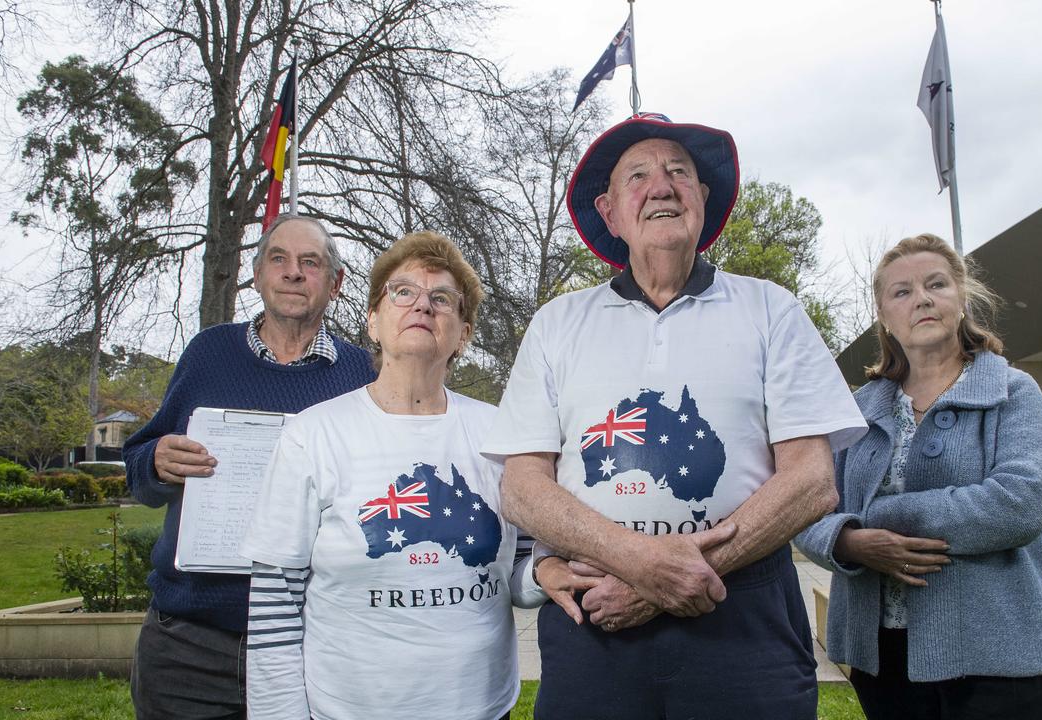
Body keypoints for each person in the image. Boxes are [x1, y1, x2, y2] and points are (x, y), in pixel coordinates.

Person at [482, 112, 867, 719]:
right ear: (609, 212)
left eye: (678, 172)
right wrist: (638, 564)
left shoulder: (771, 309)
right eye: (638, 175)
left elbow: (813, 480)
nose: (660, 186)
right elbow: (523, 488)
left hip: (744, 618)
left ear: (703, 200)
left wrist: (666, 581)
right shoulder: (558, 324)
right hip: (596, 617)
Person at [240, 231, 548, 720]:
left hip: (482, 708)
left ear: (463, 334)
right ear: (373, 323)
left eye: (443, 299)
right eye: (403, 292)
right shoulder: (314, 435)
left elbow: (521, 573)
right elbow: (275, 603)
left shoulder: (500, 435)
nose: (423, 305)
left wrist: (553, 572)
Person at [794, 232, 1042, 720]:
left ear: (961, 298)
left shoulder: (1011, 391)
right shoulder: (856, 411)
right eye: (901, 291)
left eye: (936, 284)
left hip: (995, 650)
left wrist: (881, 515)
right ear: (883, 314)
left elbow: (1020, 504)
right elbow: (808, 505)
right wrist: (849, 542)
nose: (921, 299)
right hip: (882, 654)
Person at [123, 215, 376, 719]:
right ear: (257, 275)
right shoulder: (208, 353)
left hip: (310, 643)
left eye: (311, 262)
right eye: (278, 259)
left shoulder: (362, 374)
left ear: (336, 283)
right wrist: (155, 461)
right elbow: (139, 467)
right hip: (189, 643)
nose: (293, 272)